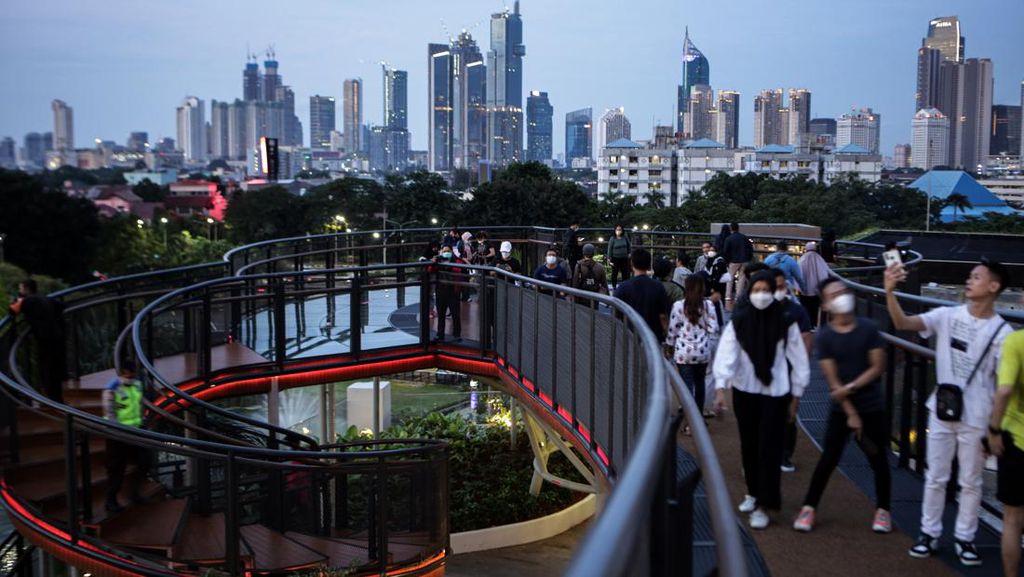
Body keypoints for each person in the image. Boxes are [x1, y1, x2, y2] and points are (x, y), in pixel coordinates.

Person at [885, 259, 1013, 566]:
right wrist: (890, 292)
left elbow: (1002, 385)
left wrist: (995, 428)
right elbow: (903, 323)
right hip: (942, 409)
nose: (970, 281)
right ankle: (928, 533)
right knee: (935, 475)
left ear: (993, 287)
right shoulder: (947, 316)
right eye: (969, 277)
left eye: (977, 277)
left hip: (978, 416)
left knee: (971, 481)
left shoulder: (1003, 333)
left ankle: (964, 538)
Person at [792, 277, 892, 534]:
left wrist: (850, 390)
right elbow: (832, 380)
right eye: (834, 294)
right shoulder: (824, 336)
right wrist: (851, 412)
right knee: (828, 459)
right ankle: (809, 507)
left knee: (878, 459)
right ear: (825, 305)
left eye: (843, 292)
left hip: (872, 407)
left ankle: (883, 510)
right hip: (841, 410)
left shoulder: (870, 329)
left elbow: (877, 367)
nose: (841, 297)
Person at [713, 270, 809, 529]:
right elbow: (726, 354)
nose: (762, 295)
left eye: (766, 290)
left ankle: (765, 503)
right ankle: (753, 493)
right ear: (749, 292)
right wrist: (721, 387)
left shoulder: (785, 322)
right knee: (749, 445)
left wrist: (796, 395)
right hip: (745, 390)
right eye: (756, 290)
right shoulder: (740, 321)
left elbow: (799, 359)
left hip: (775, 392)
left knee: (769, 448)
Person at [770, 268, 813, 473]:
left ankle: (784, 455)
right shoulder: (758, 308)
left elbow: (806, 337)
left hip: (788, 370)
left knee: (789, 414)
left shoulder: (796, 311)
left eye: (781, 286)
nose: (779, 290)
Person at [989, 328, 1024, 577]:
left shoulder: (1016, 341)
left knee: (1012, 517)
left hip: (1016, 440)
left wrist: (993, 430)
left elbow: (1004, 390)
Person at [666, 274, 719, 421]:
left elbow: (673, 330)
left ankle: (690, 421)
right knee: (700, 385)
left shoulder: (678, 306)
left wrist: (669, 346)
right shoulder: (708, 305)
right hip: (702, 351)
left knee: (687, 387)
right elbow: (713, 328)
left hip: (684, 352)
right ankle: (699, 418)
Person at [103, 363, 151, 513]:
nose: (130, 375)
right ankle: (111, 500)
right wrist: (116, 430)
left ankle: (134, 493)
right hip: (117, 435)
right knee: (117, 468)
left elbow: (140, 404)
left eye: (131, 372)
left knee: (144, 462)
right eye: (126, 372)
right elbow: (110, 412)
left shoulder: (137, 385)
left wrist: (143, 422)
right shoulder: (112, 388)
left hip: (135, 431)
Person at [8, 279, 66, 402]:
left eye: (21, 288)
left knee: (46, 368)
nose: (20, 291)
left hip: (44, 338)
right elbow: (61, 306)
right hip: (58, 336)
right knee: (56, 369)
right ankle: (58, 398)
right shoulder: (46, 298)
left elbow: (12, 310)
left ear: (26, 289)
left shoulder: (26, 300)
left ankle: (50, 400)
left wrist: (19, 300)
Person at [613, 249, 670, 342]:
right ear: (648, 265)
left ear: (632, 264)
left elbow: (616, 315)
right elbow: (663, 316)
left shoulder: (623, 287)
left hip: (630, 338)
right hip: (653, 339)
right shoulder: (658, 286)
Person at [798, 241, 831, 327]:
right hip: (817, 291)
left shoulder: (802, 260)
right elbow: (825, 273)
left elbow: (798, 275)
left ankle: (808, 325)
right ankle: (816, 325)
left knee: (805, 309)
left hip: (804, 292)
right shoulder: (819, 259)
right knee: (816, 310)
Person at [433, 246, 463, 340]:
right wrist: (434, 262)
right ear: (441, 251)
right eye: (444, 251)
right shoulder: (438, 259)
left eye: (448, 251)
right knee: (441, 315)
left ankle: (457, 335)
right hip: (440, 291)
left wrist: (448, 266)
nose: (446, 252)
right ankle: (440, 334)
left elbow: (459, 269)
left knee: (455, 314)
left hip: (453, 292)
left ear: (452, 251)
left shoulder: (456, 260)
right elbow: (430, 269)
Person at [722, 222, 753, 306]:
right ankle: (738, 296)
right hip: (744, 260)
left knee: (730, 277)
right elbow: (750, 249)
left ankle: (728, 296)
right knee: (742, 278)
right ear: (738, 228)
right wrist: (749, 258)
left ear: (731, 228)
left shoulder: (729, 238)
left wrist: (727, 261)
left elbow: (726, 251)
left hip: (733, 261)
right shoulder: (744, 237)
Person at [606, 224, 632, 289]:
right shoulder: (612, 238)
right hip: (615, 258)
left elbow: (629, 245)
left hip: (624, 258)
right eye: (617, 229)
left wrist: (629, 253)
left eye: (620, 229)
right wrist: (609, 258)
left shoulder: (625, 237)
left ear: (622, 230)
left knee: (625, 273)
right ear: (615, 230)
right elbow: (609, 249)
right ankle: (614, 286)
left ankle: (625, 286)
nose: (618, 231)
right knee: (615, 273)